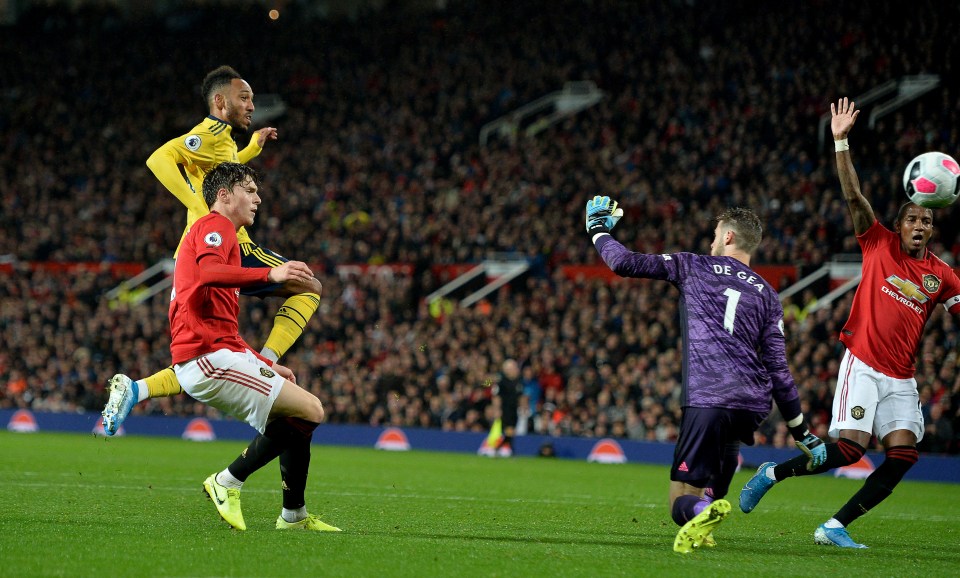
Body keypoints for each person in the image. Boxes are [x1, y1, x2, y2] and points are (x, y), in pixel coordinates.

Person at [738, 97, 960, 548]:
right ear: (898, 226)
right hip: (863, 363)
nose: (919, 224)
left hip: (901, 377)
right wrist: (841, 141)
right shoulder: (878, 243)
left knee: (903, 456)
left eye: (927, 219)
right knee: (849, 449)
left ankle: (834, 526)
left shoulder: (943, 275)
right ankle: (773, 472)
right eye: (912, 218)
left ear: (933, 228)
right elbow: (853, 196)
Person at [585, 195, 825, 554]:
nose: (711, 241)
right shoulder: (769, 296)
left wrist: (598, 230)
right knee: (721, 456)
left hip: (709, 397)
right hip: (752, 404)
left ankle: (701, 512)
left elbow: (623, 263)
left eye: (715, 234)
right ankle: (706, 518)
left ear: (728, 237)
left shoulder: (693, 266)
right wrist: (800, 430)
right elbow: (779, 369)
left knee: (678, 500)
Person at [101, 65, 321, 435]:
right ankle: (267, 361)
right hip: (222, 248)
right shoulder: (209, 133)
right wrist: (199, 206)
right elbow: (159, 159)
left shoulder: (226, 141)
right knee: (309, 287)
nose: (252, 105)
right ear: (220, 102)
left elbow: (227, 168)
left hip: (192, 254)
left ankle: (136, 389)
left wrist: (254, 147)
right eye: (244, 97)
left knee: (200, 352)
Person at [170, 161, 338, 531]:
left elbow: (224, 328)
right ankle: (226, 481)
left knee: (295, 412)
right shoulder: (215, 226)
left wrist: (260, 359)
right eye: (249, 190)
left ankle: (293, 515)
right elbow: (209, 272)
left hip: (218, 353)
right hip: (205, 359)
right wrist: (270, 273)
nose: (258, 198)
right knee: (312, 410)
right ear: (224, 195)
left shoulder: (224, 235)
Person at [492, 359, 523, 456]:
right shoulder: (501, 381)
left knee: (511, 431)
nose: (515, 370)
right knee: (509, 430)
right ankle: (512, 452)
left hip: (515, 410)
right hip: (505, 410)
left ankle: (498, 448)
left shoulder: (518, 381)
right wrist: (497, 409)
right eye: (512, 368)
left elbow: (520, 396)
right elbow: (495, 395)